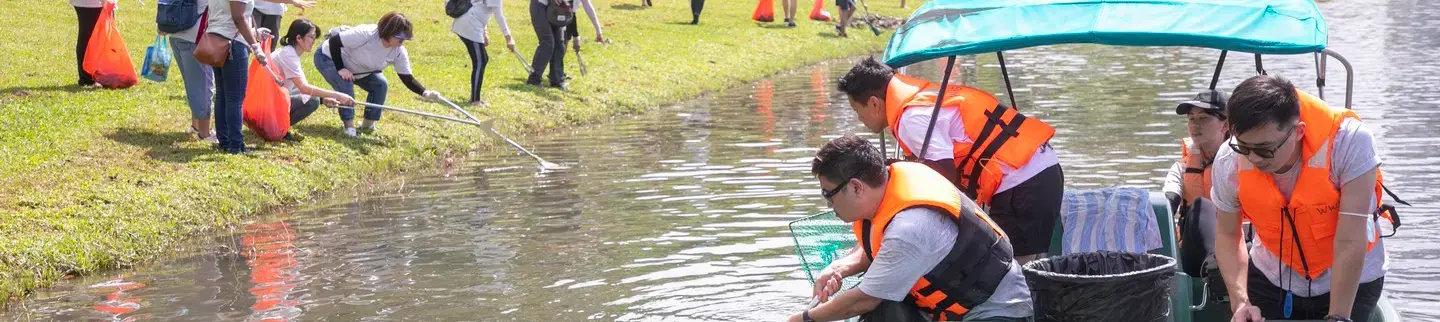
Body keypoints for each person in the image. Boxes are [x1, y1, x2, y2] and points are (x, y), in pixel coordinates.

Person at [836, 57, 1064, 265]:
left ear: (875, 103)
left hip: (1023, 182)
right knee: (1010, 265)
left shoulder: (910, 118)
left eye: (857, 110)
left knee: (1007, 269)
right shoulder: (921, 100)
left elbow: (944, 175)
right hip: (1036, 171)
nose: (859, 119)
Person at [786, 134, 1032, 322]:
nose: (830, 205)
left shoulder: (909, 229)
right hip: (960, 307)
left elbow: (863, 300)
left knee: (879, 305)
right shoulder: (889, 183)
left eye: (829, 195)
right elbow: (877, 246)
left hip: (997, 313)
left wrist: (803, 318)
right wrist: (838, 268)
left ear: (856, 187)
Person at [1213, 75, 1398, 322]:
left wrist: (1338, 317)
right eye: (1243, 147)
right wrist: (1241, 302)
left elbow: (1351, 238)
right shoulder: (1228, 159)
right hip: (1271, 277)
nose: (1253, 159)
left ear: (1298, 132)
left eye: (1264, 149)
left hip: (1352, 278)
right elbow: (1227, 234)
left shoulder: (1349, 143)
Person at [313, 12, 443, 137]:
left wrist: (425, 92)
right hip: (329, 58)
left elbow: (407, 78)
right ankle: (349, 128)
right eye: (400, 37)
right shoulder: (366, 34)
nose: (403, 40)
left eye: (405, 37)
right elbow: (334, 41)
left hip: (358, 69)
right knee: (345, 86)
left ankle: (367, 125)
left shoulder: (398, 51)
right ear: (389, 32)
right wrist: (341, 68)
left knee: (380, 84)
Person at [1162, 89, 1229, 276]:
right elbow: (1167, 204)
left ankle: (1219, 266)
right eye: (1191, 118)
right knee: (1199, 206)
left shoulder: (1242, 164)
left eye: (1204, 118)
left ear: (1225, 126)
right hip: (1195, 258)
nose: (1195, 125)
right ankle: (1213, 267)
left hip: (1237, 248)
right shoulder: (1181, 168)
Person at [270, 18, 357, 141]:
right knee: (312, 101)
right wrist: (338, 95)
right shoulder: (289, 55)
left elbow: (297, 87)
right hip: (266, 105)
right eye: (311, 37)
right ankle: (276, 129)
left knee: (315, 99)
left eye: (315, 37)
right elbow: (304, 88)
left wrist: (323, 99)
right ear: (299, 38)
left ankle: (276, 125)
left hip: (271, 99)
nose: (314, 41)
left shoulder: (290, 53)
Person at [207, 0, 267, 153]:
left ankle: (225, 141)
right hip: (233, 42)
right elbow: (238, 17)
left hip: (216, 39)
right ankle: (236, 145)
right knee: (235, 97)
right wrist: (255, 46)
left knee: (222, 94)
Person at [166, 0, 217, 143]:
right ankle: (204, 133)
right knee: (203, 86)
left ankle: (196, 126)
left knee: (192, 84)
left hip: (176, 34)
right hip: (195, 37)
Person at [451, 0, 516, 107]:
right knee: (480, 61)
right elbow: (499, 15)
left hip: (470, 22)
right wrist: (508, 38)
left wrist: (484, 33)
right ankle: (475, 101)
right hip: (470, 24)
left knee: (482, 59)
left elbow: (480, 6)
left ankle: (475, 98)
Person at [527, 0, 603, 90]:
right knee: (548, 42)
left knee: (559, 44)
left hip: (557, 9)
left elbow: (584, 7)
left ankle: (557, 80)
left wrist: (598, 31)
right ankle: (534, 79)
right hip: (540, 5)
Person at [72, 0, 104, 87]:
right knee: (87, 37)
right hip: (89, 3)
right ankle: (86, 78)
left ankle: (97, 75)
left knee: (98, 38)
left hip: (95, 3)